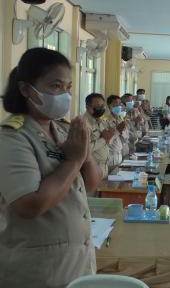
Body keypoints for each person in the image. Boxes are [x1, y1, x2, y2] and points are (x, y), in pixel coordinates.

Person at [0, 48, 101, 287]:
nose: (65, 95)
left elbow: (91, 185)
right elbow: (29, 204)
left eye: (68, 87)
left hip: (77, 262)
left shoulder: (63, 129)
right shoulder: (12, 137)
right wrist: (73, 161)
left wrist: (84, 157)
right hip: (37, 269)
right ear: (26, 89)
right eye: (55, 86)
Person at [84, 93, 115, 178]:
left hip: (105, 166)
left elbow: (109, 141)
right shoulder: (84, 123)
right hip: (92, 168)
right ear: (88, 107)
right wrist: (104, 139)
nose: (101, 108)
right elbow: (85, 149)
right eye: (98, 106)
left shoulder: (100, 121)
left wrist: (109, 137)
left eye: (102, 106)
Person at [105, 95, 129, 172]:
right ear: (110, 106)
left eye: (119, 104)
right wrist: (117, 130)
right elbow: (107, 140)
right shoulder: (105, 121)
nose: (118, 106)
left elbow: (126, 138)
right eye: (115, 104)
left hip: (120, 155)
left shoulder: (121, 120)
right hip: (110, 158)